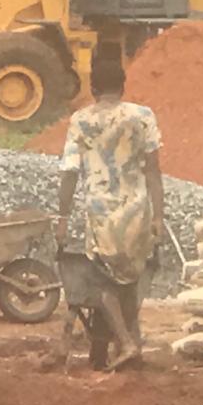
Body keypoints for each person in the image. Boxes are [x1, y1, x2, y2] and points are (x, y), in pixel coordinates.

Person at [56, 58, 164, 370]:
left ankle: (127, 343)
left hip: (101, 212)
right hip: (136, 209)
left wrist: (62, 217)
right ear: (123, 85)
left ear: (92, 88)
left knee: (101, 283)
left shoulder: (82, 120)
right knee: (128, 280)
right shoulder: (143, 117)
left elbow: (69, 172)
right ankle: (128, 345)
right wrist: (158, 216)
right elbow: (154, 171)